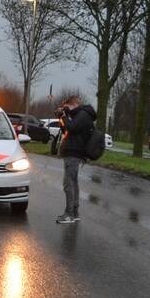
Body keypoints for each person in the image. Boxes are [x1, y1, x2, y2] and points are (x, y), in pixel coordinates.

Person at [55, 94, 96, 224]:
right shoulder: (78, 115)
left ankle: (69, 214)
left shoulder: (83, 114)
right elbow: (66, 130)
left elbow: (72, 128)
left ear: (74, 105)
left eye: (67, 107)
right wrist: (62, 118)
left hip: (74, 152)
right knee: (73, 183)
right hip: (72, 152)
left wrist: (64, 116)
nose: (66, 110)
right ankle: (74, 213)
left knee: (68, 184)